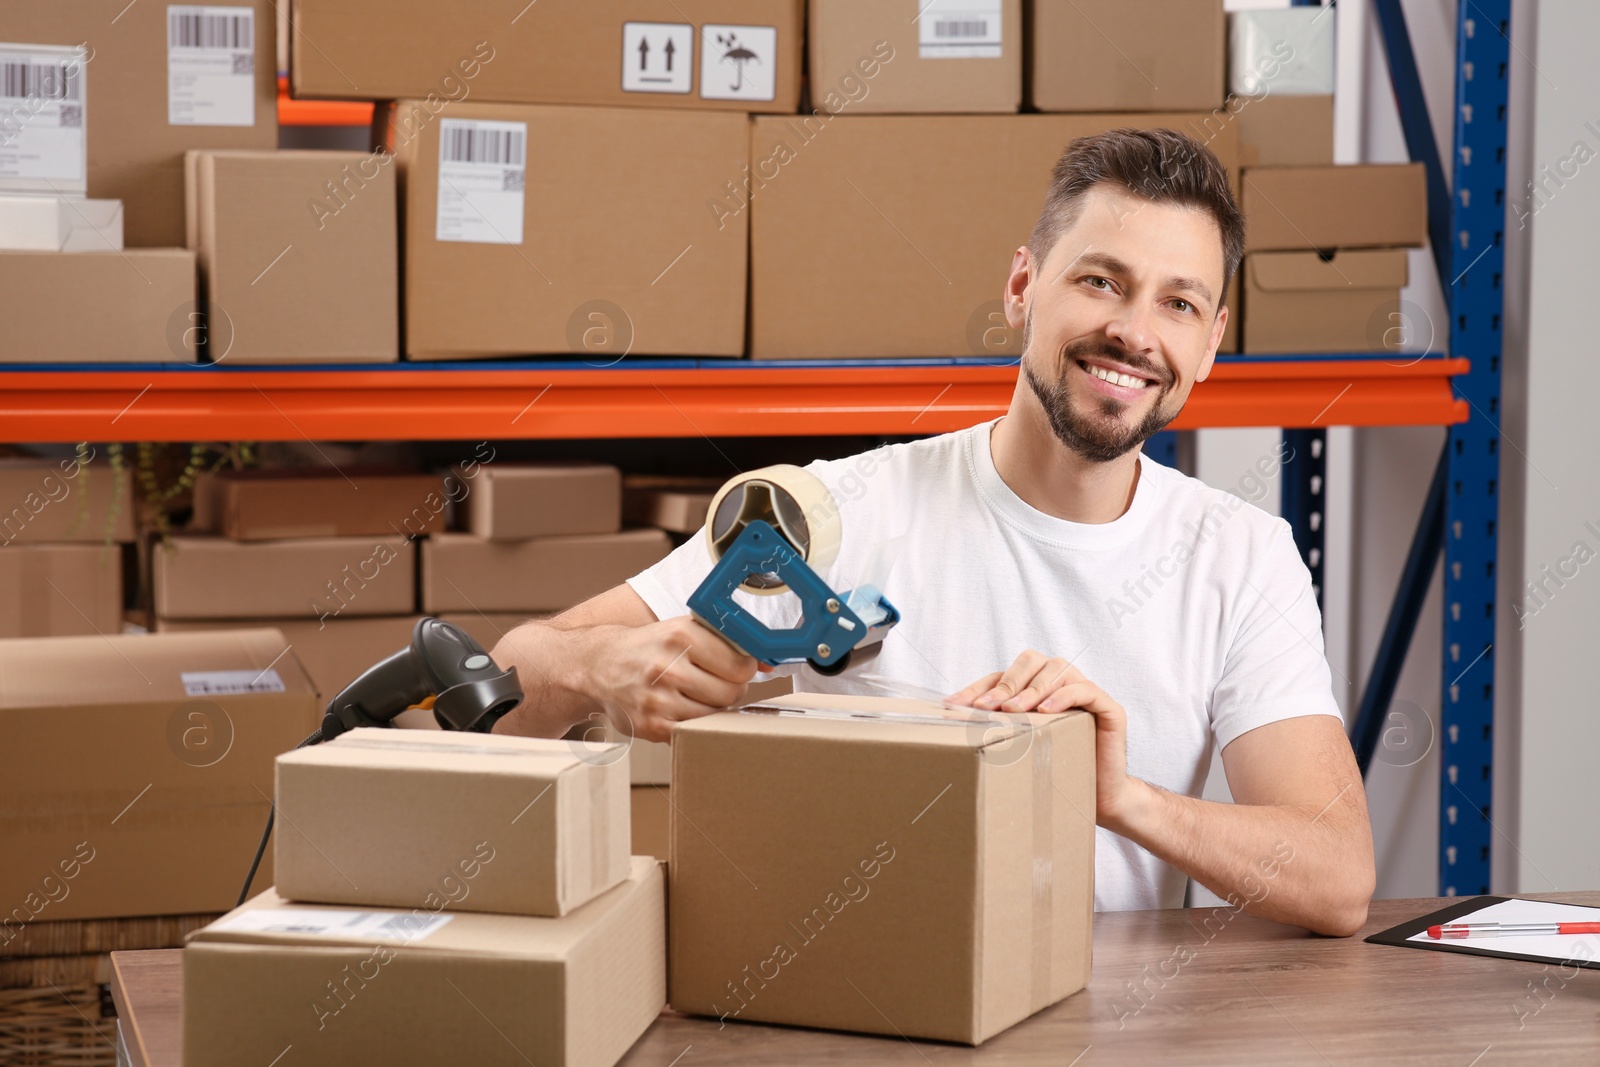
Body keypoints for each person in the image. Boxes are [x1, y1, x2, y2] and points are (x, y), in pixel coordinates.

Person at [490, 128, 1375, 937]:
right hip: (847, 1002)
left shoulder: (1241, 555)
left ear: (1213, 341)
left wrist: (1118, 796)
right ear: (1024, 285)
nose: (1133, 332)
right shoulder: (838, 511)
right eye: (1100, 280)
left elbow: (1338, 878)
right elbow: (494, 702)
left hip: (1106, 1019)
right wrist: (596, 669)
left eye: (1179, 304)